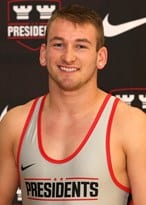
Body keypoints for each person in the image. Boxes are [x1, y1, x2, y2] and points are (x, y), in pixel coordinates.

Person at [0, 4, 146, 205]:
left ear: (101, 57)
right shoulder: (15, 123)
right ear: (43, 54)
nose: (68, 57)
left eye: (81, 46)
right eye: (58, 44)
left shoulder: (131, 124)